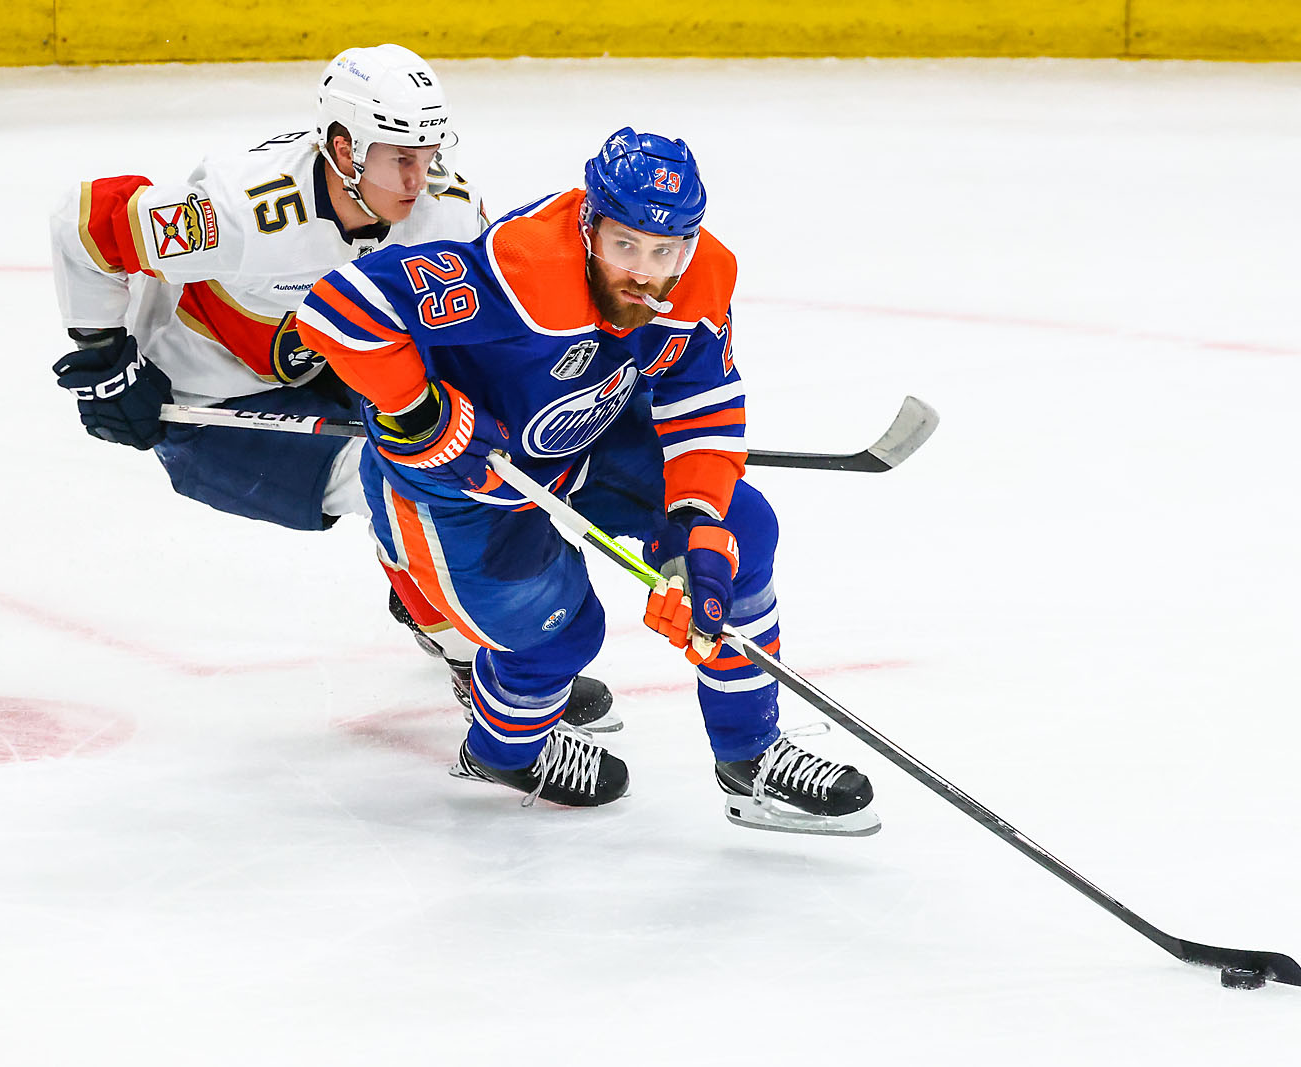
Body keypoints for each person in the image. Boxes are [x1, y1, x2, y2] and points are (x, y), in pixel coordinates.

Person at [293, 127, 878, 833]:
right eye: (624, 244)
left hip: (586, 441)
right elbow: (338, 308)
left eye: (665, 251)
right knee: (563, 634)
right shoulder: (522, 268)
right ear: (589, 224)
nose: (643, 272)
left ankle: (748, 759)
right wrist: (420, 413)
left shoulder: (701, 276)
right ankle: (502, 753)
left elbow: (701, 398)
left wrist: (695, 524)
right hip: (459, 488)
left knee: (736, 536)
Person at [46, 43, 616, 730]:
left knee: (438, 462)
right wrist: (106, 359)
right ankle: (471, 655)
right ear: (345, 149)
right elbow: (86, 224)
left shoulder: (448, 210)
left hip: (337, 368)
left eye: (428, 154)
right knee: (397, 481)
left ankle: (426, 590)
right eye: (400, 158)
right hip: (211, 404)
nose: (420, 178)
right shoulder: (243, 211)